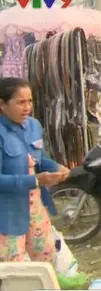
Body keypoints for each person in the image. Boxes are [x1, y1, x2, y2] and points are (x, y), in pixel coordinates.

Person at [0, 77, 70, 262]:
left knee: (46, 259)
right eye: (20, 102)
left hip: (36, 210)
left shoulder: (33, 126)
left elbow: (39, 160)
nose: (27, 107)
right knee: (12, 270)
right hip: (8, 214)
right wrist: (36, 180)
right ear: (2, 104)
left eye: (29, 101)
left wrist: (57, 168)